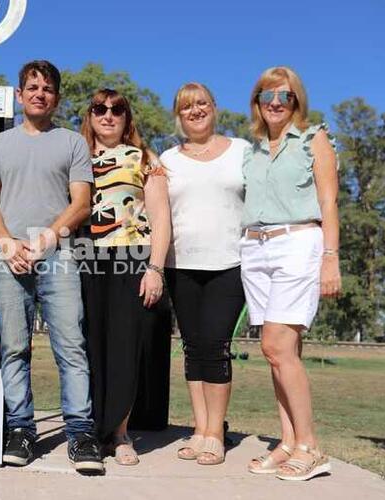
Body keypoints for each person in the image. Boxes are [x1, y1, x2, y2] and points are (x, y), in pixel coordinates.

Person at [0, 60, 104, 474]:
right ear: (19, 95)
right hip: (9, 256)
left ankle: (81, 434)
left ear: (57, 98)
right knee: (13, 348)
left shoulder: (72, 143)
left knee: (71, 346)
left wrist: (46, 240)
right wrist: (6, 243)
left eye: (47, 88)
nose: (39, 93)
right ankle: (20, 430)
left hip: (59, 257)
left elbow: (81, 203)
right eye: (32, 87)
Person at [241, 66, 339, 480]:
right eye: (268, 96)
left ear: (296, 100)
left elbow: (328, 201)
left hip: (298, 242)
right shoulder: (254, 148)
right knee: (275, 351)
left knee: (279, 346)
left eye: (285, 96)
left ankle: (310, 446)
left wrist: (330, 258)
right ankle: (287, 442)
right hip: (254, 247)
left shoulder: (314, 138)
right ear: (258, 103)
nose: (276, 103)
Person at [79, 89, 171, 466]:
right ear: (90, 116)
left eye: (117, 110)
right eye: (100, 109)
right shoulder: (77, 155)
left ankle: (119, 434)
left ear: (127, 118)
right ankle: (88, 430)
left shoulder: (146, 158)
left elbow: (161, 218)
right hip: (87, 257)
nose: (108, 115)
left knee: (124, 346)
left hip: (131, 257)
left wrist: (156, 268)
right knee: (88, 345)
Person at [161, 82, 249, 465]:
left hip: (230, 264)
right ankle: (199, 429)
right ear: (178, 116)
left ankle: (216, 432)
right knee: (193, 348)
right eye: (186, 107)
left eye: (202, 104)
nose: (195, 111)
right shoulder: (167, 160)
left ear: (215, 107)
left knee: (215, 346)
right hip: (180, 265)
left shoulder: (243, 151)